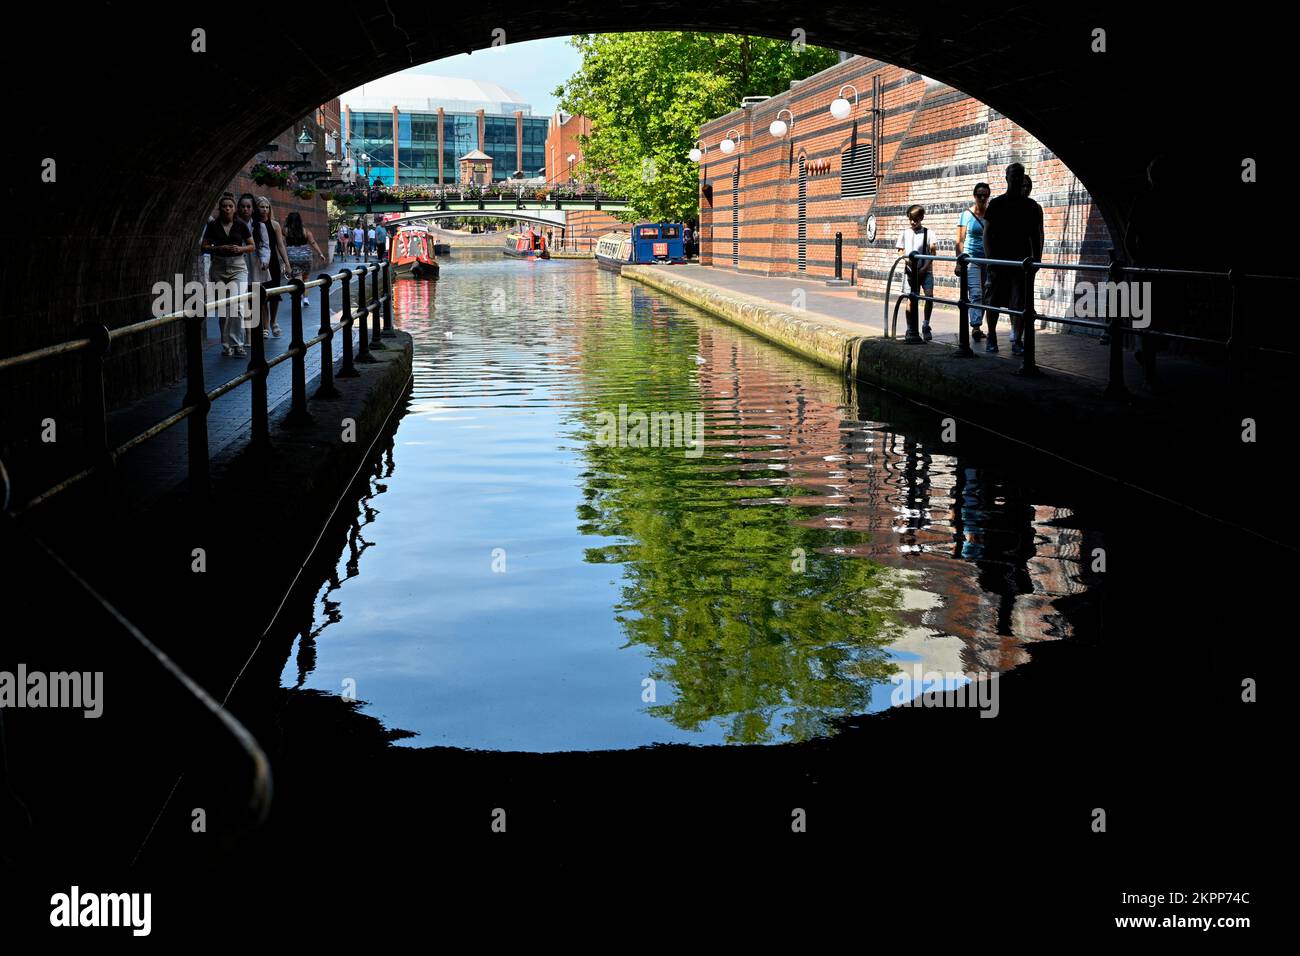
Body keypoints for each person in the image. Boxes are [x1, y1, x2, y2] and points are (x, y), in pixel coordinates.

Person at [982, 163, 1043, 355]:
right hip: (1000, 261)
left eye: (1019, 175)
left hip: (1021, 261)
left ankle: (1017, 339)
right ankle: (991, 336)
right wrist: (991, 259)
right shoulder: (997, 204)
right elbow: (987, 233)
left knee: (1020, 302)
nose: (1016, 179)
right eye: (1013, 175)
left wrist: (1037, 260)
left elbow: (1037, 234)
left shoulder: (1032, 207)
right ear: (1006, 178)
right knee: (994, 301)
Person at [200, 193, 254, 357]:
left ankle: (238, 344)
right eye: (224, 206)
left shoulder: (241, 225)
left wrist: (240, 249)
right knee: (224, 307)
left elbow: (252, 246)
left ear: (234, 208)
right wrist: (218, 249)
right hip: (219, 266)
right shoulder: (213, 225)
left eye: (230, 206)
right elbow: (204, 246)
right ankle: (226, 345)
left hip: (238, 266)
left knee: (237, 305)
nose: (228, 209)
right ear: (220, 208)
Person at [896, 204, 939, 341]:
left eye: (916, 219)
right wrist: (907, 262)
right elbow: (900, 250)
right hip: (910, 271)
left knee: (929, 296)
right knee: (910, 299)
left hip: (925, 271)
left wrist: (924, 268)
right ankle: (910, 328)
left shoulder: (929, 233)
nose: (913, 222)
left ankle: (926, 325)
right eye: (911, 219)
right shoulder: (905, 233)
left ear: (921, 218)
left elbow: (933, 252)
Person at [956, 183, 991, 342]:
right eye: (979, 195)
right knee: (976, 292)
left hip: (988, 260)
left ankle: (979, 325)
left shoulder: (992, 214)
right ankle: (976, 326)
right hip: (971, 259)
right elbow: (960, 240)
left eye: (985, 195)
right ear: (974, 196)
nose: (982, 198)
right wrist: (959, 262)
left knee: (985, 294)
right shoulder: (967, 214)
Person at [237, 193, 272, 340]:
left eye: (248, 207)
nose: (246, 209)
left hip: (256, 264)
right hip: (239, 264)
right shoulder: (235, 224)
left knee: (258, 299)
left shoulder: (260, 226)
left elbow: (265, 245)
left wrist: (265, 260)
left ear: (252, 209)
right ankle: (248, 332)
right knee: (244, 300)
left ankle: (259, 329)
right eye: (243, 206)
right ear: (238, 208)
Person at [256, 196, 288, 337]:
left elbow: (280, 245)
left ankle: (274, 322)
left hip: (273, 262)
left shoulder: (275, 225)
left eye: (267, 207)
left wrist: (286, 263)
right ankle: (265, 325)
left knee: (275, 294)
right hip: (260, 263)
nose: (264, 210)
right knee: (262, 295)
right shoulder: (254, 224)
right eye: (261, 207)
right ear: (257, 208)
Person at [284, 212, 325, 308]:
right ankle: (305, 298)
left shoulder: (285, 230)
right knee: (306, 278)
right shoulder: (306, 231)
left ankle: (297, 298)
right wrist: (320, 254)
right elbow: (313, 243)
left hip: (292, 256)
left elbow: (281, 242)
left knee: (298, 278)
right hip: (306, 256)